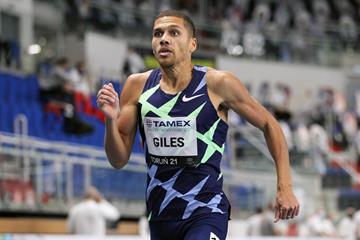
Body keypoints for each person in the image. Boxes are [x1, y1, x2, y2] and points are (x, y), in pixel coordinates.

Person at [97, 10, 299, 240]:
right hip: (161, 216)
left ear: (192, 44)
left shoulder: (218, 84)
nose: (164, 38)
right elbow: (118, 159)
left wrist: (285, 185)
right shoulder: (137, 86)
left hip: (206, 211)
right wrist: (110, 120)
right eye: (158, 33)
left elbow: (270, 124)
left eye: (174, 33)